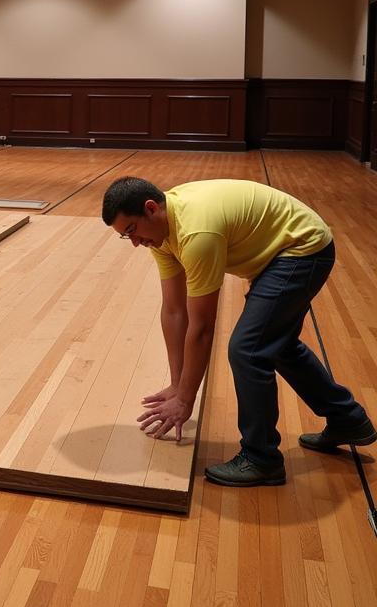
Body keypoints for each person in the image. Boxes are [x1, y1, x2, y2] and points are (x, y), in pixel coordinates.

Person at [101, 176, 374, 487]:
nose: (135, 242)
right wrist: (177, 385)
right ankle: (347, 419)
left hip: (303, 247)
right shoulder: (161, 234)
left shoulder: (196, 231)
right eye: (126, 237)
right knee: (276, 344)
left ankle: (261, 459)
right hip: (280, 253)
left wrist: (186, 399)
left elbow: (202, 327)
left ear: (151, 208)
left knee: (248, 349)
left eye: (132, 231)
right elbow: (175, 312)